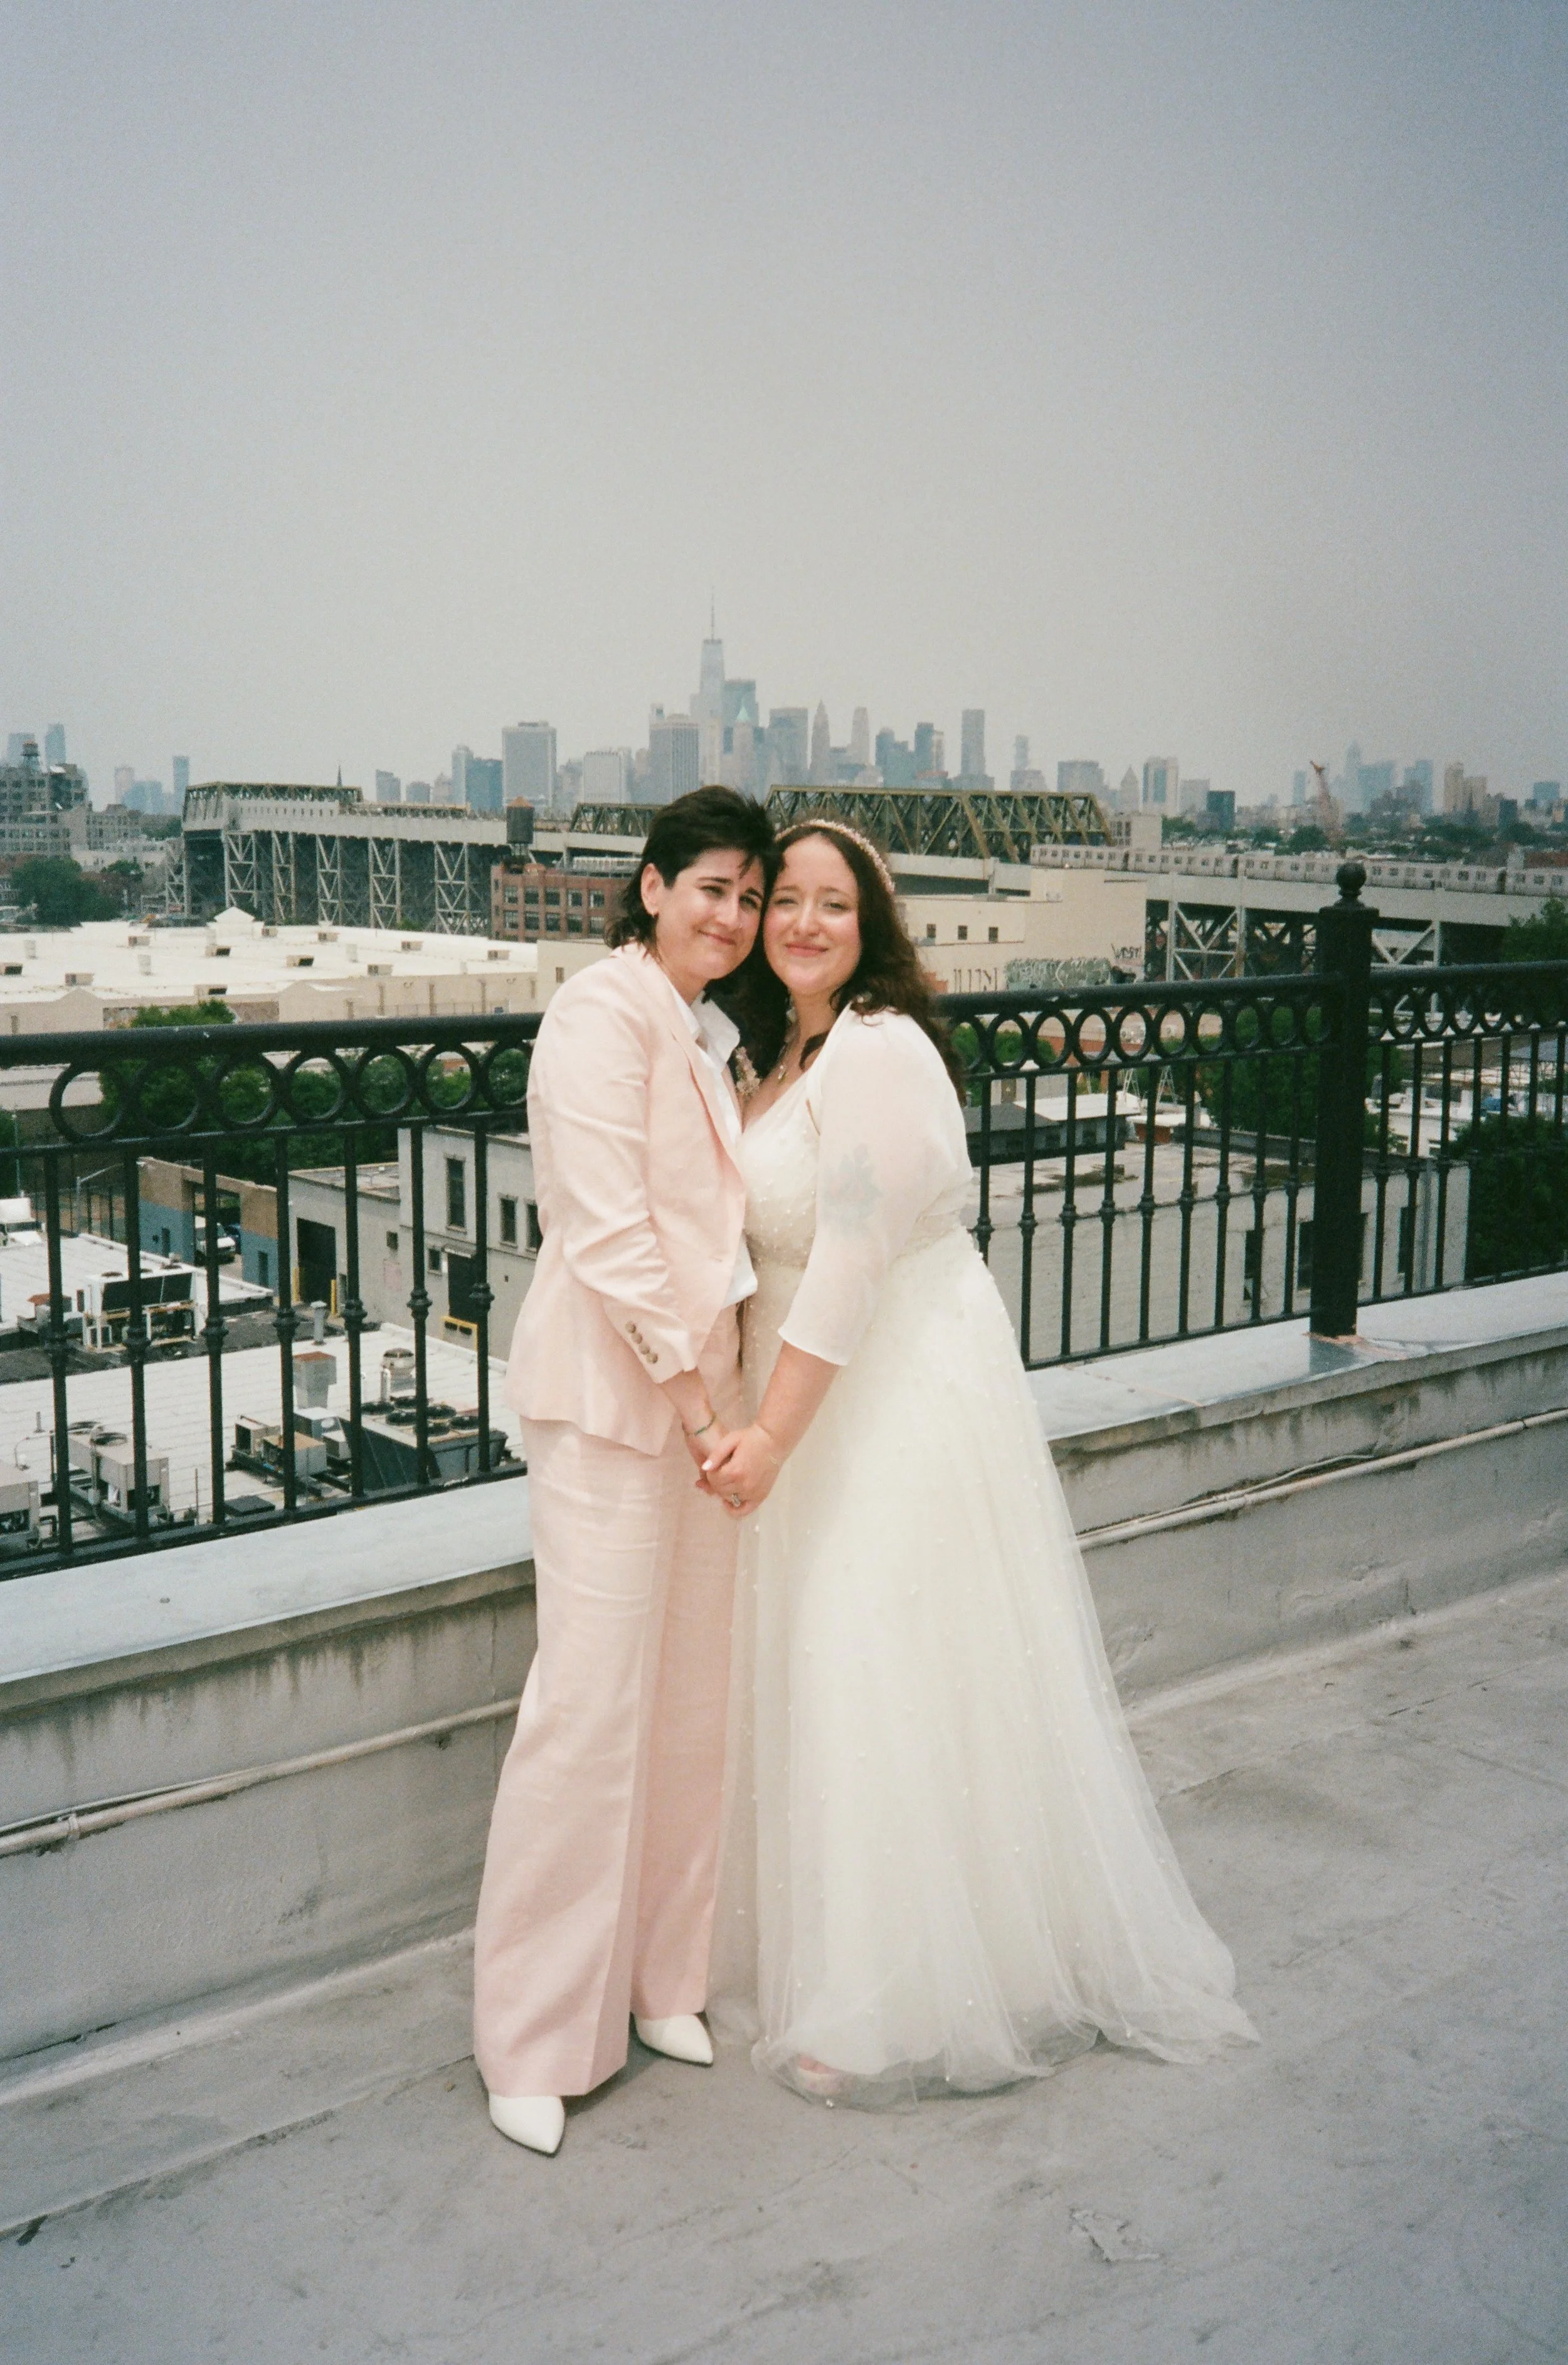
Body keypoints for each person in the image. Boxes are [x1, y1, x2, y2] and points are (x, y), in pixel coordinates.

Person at [705, 820, 1258, 2103]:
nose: (797, 922)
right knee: (822, 1661)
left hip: (887, 1379)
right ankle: (838, 1952)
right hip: (806, 1379)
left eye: (829, 905)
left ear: (873, 925)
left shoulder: (883, 1050)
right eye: (780, 899)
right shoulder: (782, 1052)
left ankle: (890, 1993)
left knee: (875, 1653)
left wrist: (771, 1433)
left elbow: (847, 1252)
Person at [473, 785, 774, 2155]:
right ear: (649, 887)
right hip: (614, 1405)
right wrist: (700, 1405)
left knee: (689, 1704)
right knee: (588, 1712)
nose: (732, 913)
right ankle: (533, 2036)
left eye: (749, 895)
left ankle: (662, 1979)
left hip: (698, 1409)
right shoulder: (600, 1012)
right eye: (709, 885)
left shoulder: (704, 1028)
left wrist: (721, 1410)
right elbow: (608, 1234)